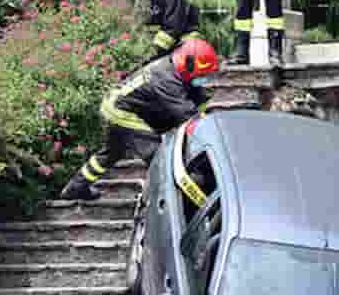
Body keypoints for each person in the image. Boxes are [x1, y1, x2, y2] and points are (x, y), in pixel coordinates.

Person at [59, 37, 220, 202]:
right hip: (121, 110)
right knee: (158, 154)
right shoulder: (166, 80)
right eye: (202, 75)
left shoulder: (175, 68)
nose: (204, 79)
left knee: (112, 153)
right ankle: (168, 198)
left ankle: (75, 188)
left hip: (117, 104)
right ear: (188, 64)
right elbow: (187, 116)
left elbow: (197, 96)